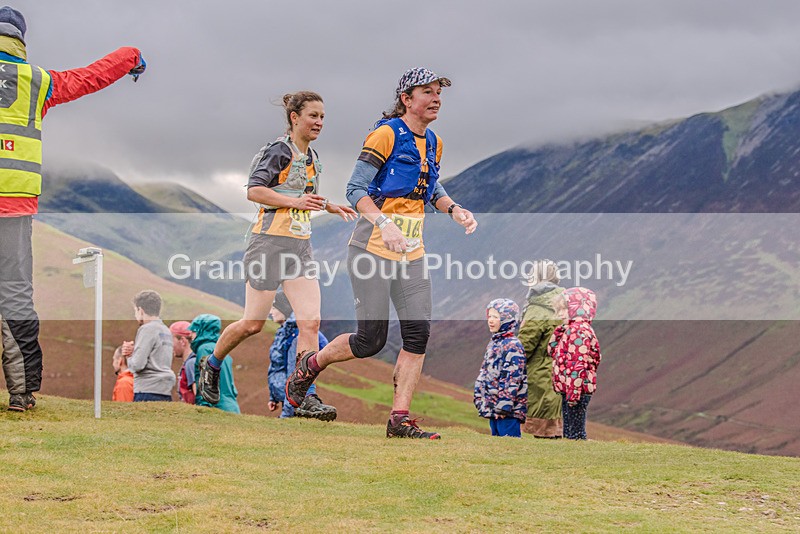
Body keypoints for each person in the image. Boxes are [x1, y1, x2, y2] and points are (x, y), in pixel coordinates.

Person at [285, 68, 478, 439]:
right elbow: (355, 188)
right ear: (407, 98)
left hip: (412, 252)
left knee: (418, 336)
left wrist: (454, 209)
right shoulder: (386, 134)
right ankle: (310, 366)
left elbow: (430, 184)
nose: (436, 98)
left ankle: (399, 419)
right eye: (427, 91)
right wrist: (383, 224)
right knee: (370, 340)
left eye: (439, 92)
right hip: (371, 249)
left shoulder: (435, 141)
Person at [0, 6, 146, 410]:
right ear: (20, 42)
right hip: (13, 207)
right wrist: (131, 55)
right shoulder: (39, 82)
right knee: (14, 295)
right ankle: (21, 393)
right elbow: (91, 76)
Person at [197, 91, 356, 405]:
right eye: (313, 115)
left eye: (323, 116)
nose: (319, 122)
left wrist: (329, 205)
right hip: (267, 243)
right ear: (295, 118)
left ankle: (304, 394)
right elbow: (254, 191)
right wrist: (296, 202)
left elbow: (302, 197)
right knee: (253, 324)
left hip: (300, 246)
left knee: (310, 321)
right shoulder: (278, 151)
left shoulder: (313, 158)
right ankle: (211, 364)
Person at [267, 290, 336, 420]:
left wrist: (287, 415)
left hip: (291, 401)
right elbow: (276, 366)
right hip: (284, 398)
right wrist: (273, 397)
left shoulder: (296, 337)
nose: (270, 312)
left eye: (273, 307)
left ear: (284, 309)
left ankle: (300, 411)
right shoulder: (283, 333)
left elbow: (293, 376)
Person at [517, 260, 564, 438]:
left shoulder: (538, 308)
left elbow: (525, 345)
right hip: (559, 372)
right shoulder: (563, 303)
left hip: (539, 374)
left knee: (538, 430)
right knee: (554, 425)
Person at [549, 287, 602, 440]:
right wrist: (560, 332)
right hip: (571, 389)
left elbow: (577, 365)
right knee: (569, 432)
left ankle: (579, 458)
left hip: (576, 389)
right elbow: (553, 352)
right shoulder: (571, 330)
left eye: (563, 310)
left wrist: (573, 394)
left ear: (575, 310)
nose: (559, 315)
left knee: (575, 434)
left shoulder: (578, 331)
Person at [474, 299, 528, 437]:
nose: (490, 320)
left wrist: (504, 405)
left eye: (496, 317)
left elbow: (512, 378)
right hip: (493, 407)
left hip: (508, 411)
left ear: (507, 320)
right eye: (489, 316)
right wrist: (479, 395)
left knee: (510, 446)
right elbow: (484, 371)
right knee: (497, 446)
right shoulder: (493, 343)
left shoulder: (513, 346)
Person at [122, 290, 175, 402]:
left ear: (140, 310)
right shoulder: (165, 330)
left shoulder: (146, 329)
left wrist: (129, 356)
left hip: (147, 390)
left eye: (135, 311)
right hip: (164, 390)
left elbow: (137, 365)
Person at [191, 314, 239, 414]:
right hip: (231, 406)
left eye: (194, 331)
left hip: (217, 407)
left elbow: (205, 377)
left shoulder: (204, 349)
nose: (191, 335)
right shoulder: (222, 350)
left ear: (201, 330)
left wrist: (204, 406)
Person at [170, 321, 196, 405]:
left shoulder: (191, 363)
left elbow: (198, 395)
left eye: (171, 340)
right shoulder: (189, 362)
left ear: (182, 341)